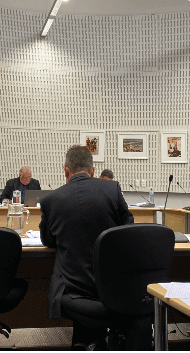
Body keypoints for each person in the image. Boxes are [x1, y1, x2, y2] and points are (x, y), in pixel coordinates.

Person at [39, 145, 133, 349]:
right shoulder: (113, 190)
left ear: (65, 170)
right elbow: (129, 233)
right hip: (112, 287)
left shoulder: (50, 200)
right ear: (92, 170)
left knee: (78, 285)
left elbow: (47, 241)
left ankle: (84, 343)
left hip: (73, 289)